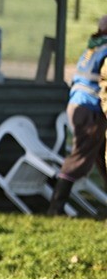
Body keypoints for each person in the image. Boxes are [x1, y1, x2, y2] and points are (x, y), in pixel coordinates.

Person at [47, 15, 107, 215]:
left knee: (98, 155)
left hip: (77, 105)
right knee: (80, 158)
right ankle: (56, 207)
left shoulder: (93, 47)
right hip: (89, 108)